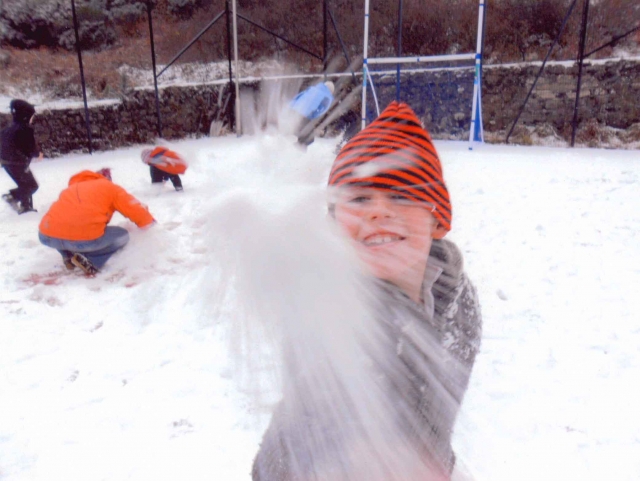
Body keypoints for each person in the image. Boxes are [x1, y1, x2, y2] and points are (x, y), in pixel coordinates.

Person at [252, 102, 482, 480]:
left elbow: (441, 406)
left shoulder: (458, 299)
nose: (378, 211)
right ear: (335, 224)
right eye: (358, 199)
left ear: (437, 218)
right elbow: (298, 443)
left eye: (402, 194)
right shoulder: (330, 320)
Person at [38, 168, 155, 276]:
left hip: (47, 236)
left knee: (64, 229)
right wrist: (148, 222)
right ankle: (91, 260)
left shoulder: (71, 188)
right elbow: (133, 207)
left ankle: (68, 255)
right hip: (84, 240)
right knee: (122, 235)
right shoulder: (110, 187)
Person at [1, 99, 43, 214]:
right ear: (26, 116)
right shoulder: (25, 129)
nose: (32, 119)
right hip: (18, 163)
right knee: (32, 186)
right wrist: (37, 154)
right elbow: (28, 147)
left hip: (6, 163)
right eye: (31, 116)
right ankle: (12, 197)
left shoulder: (7, 129)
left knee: (23, 184)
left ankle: (26, 206)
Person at [289, 80, 335, 148]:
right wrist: (311, 116)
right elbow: (320, 110)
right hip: (305, 114)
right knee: (309, 138)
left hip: (295, 109)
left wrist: (291, 107)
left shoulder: (312, 89)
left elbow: (297, 97)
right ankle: (298, 149)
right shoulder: (327, 97)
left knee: (297, 129)